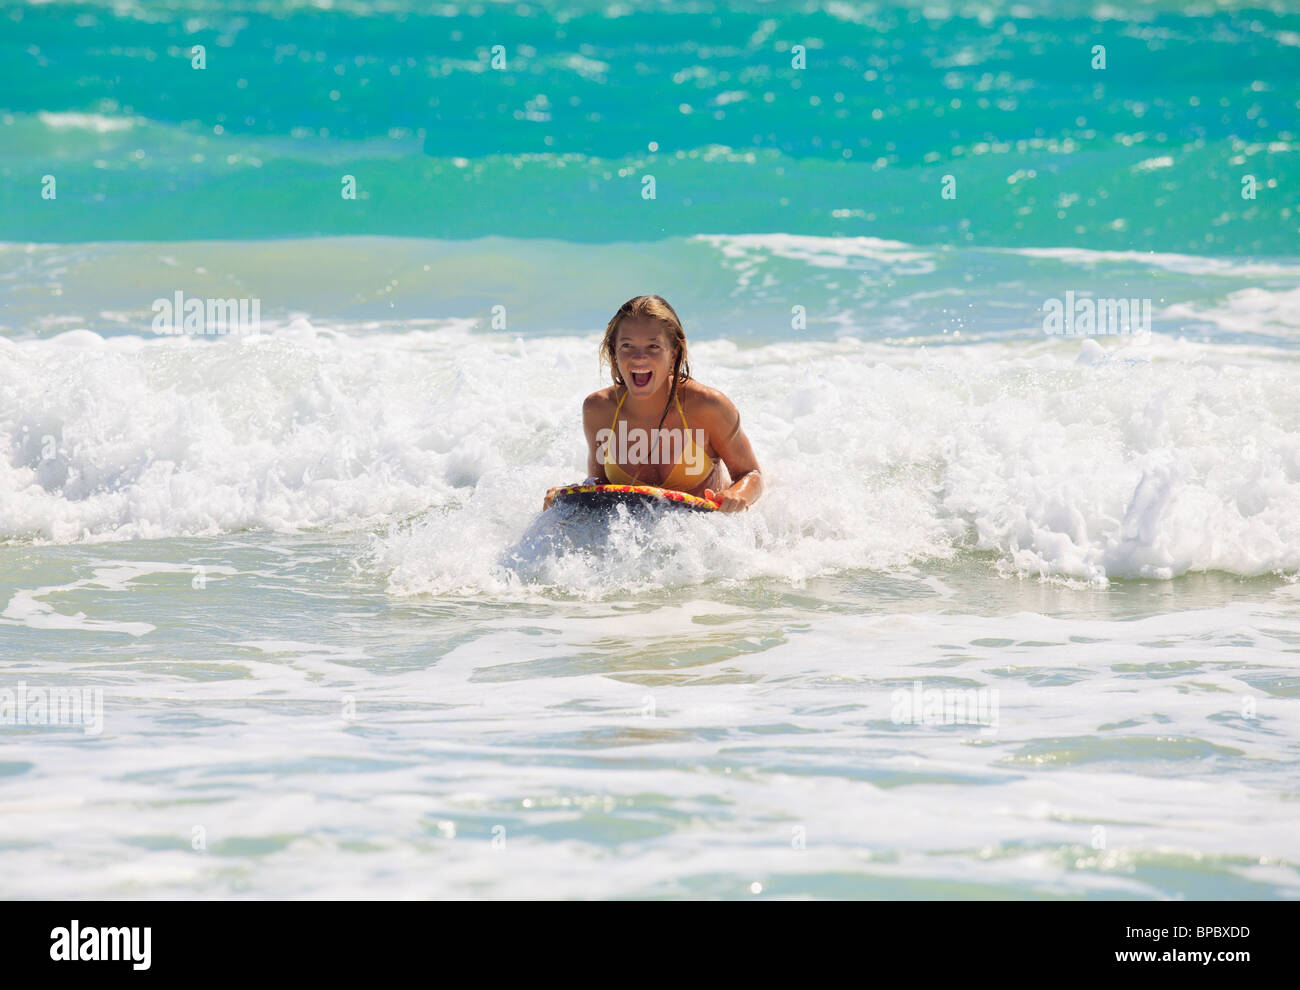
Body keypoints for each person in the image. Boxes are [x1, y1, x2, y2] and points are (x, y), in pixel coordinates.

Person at [544, 295, 763, 513]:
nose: (639, 357)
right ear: (614, 351)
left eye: (653, 346)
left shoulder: (707, 406)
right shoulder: (599, 409)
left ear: (674, 352)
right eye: (627, 345)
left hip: (703, 536)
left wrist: (738, 494)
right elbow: (598, 488)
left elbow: (751, 474)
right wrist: (566, 498)